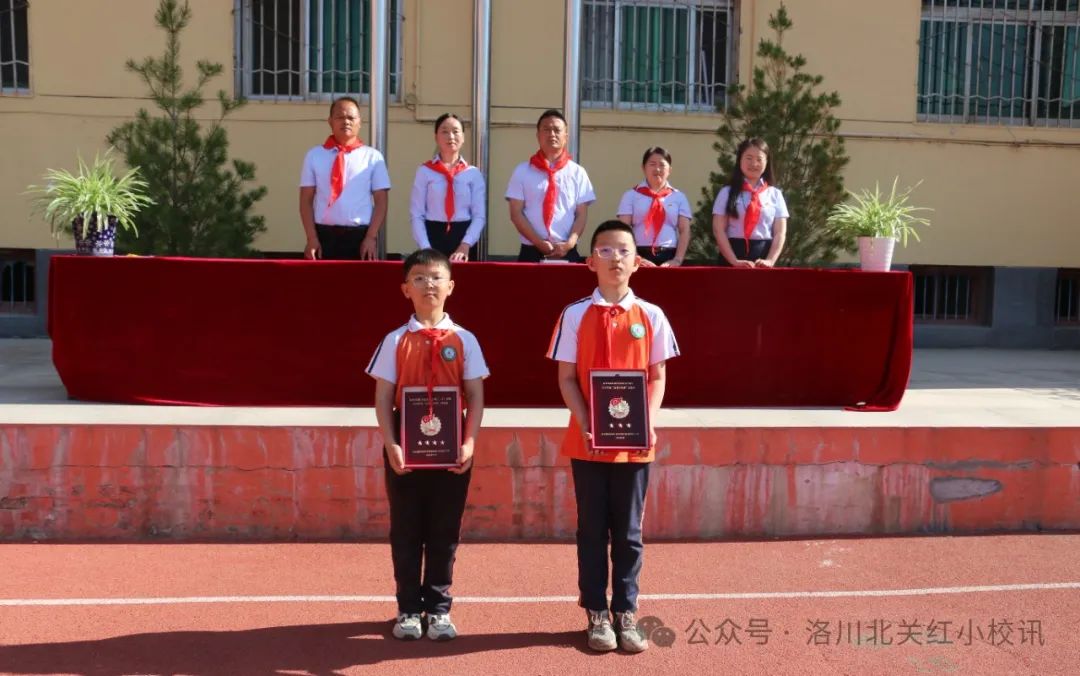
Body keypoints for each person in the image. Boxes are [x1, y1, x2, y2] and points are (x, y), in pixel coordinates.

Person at [546, 220, 680, 653]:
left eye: (624, 251)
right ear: (590, 262)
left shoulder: (652, 315)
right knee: (591, 530)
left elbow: (657, 377)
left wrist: (650, 421)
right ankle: (596, 614)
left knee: (629, 531)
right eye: (605, 250)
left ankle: (626, 610)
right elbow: (567, 378)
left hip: (637, 443)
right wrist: (585, 419)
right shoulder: (573, 314)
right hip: (586, 441)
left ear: (637, 262)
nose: (615, 258)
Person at [366, 248, 488, 641]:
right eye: (419, 278)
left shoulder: (465, 339)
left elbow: (475, 395)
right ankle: (407, 608)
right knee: (406, 529)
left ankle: (438, 609)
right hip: (406, 444)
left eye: (436, 277)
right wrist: (391, 443)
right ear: (405, 289)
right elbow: (384, 397)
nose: (428, 285)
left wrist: (469, 443)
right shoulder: (394, 340)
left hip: (451, 446)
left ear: (451, 286)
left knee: (444, 530)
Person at [299, 96, 391, 260]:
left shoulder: (373, 157)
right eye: (340, 117)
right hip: (323, 236)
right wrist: (311, 238)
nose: (346, 122)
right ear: (330, 121)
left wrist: (371, 237)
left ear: (359, 122)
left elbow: (381, 202)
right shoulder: (314, 156)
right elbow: (305, 200)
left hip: (360, 237)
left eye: (351, 117)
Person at [506, 109, 595, 262]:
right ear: (538, 136)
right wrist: (539, 242)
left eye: (557, 130)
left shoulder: (577, 173)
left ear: (566, 137)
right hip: (531, 250)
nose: (552, 134)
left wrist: (569, 243)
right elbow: (516, 213)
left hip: (567, 250)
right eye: (546, 129)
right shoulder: (522, 171)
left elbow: (581, 214)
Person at [409, 113, 487, 261]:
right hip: (433, 235)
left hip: (464, 236)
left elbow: (479, 216)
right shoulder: (425, 171)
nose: (451, 136)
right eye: (444, 131)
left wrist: (466, 244)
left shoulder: (473, 173)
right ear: (436, 137)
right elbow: (416, 214)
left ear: (463, 137)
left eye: (456, 131)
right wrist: (426, 247)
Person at [711, 138, 789, 267]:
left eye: (759, 159)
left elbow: (780, 233)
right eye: (749, 158)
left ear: (766, 162)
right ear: (739, 160)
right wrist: (734, 261)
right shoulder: (726, 192)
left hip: (763, 258)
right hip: (732, 256)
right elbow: (718, 230)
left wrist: (770, 260)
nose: (754, 163)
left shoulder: (775, 194)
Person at [616, 146, 692, 267]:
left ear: (670, 170)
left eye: (662, 165)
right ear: (643, 168)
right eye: (652, 164)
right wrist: (635, 257)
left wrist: (677, 259)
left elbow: (685, 230)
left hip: (669, 255)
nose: (657, 169)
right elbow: (623, 230)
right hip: (638, 255)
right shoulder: (630, 195)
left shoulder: (679, 197)